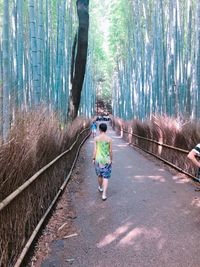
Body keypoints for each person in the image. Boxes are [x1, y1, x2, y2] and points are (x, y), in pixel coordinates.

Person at [92, 123, 112, 201]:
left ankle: (100, 187)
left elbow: (95, 150)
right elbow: (110, 151)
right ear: (106, 129)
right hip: (106, 160)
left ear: (99, 129)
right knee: (106, 176)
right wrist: (111, 159)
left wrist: (93, 158)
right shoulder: (109, 139)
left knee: (99, 175)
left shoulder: (96, 138)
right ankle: (104, 194)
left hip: (98, 159)